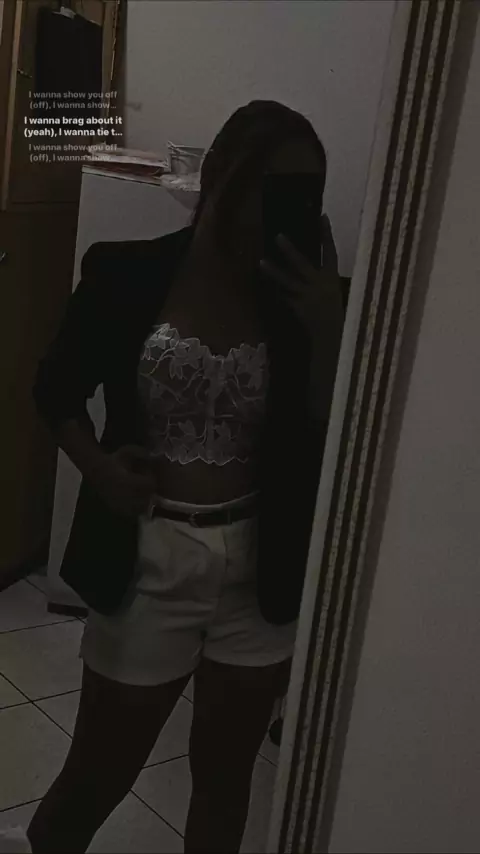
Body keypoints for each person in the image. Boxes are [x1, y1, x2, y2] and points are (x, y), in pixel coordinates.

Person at [27, 100, 344, 853]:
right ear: (223, 175)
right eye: (276, 188)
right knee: (96, 778)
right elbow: (55, 392)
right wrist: (100, 470)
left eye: (308, 193)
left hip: (260, 566)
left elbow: (331, 433)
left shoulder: (307, 299)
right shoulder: (126, 272)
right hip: (150, 557)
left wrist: (330, 331)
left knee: (226, 788)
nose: (292, 210)